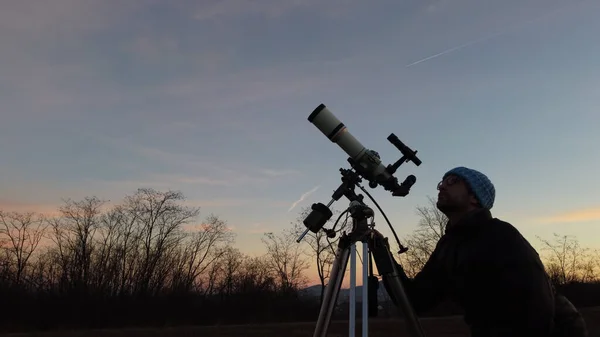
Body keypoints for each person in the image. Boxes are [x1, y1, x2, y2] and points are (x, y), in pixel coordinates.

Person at [387, 166, 588, 337]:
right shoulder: (448, 246)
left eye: (452, 180)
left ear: (475, 197)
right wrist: (383, 254)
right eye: (441, 182)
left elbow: (537, 304)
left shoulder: (500, 235)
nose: (442, 185)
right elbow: (416, 301)